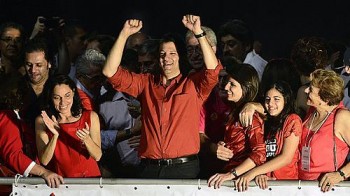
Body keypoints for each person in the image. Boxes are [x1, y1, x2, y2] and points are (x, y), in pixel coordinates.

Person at [102, 15, 222, 179]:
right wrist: (124, 35)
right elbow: (109, 71)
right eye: (162, 53)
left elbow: (213, 70)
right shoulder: (145, 83)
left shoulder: (193, 84)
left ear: (180, 56)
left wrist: (198, 32)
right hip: (149, 169)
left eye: (172, 53)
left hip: (184, 169)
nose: (167, 58)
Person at [234, 81, 302, 191]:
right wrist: (261, 173)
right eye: (267, 99)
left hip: (286, 185)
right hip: (265, 184)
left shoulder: (293, 120)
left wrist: (253, 173)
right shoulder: (268, 121)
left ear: (286, 100)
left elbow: (286, 158)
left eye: (276, 99)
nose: (270, 103)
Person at [208, 63, 265, 189]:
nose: (226, 87)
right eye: (227, 82)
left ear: (246, 88)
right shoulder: (235, 111)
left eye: (232, 84)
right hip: (234, 179)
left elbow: (259, 154)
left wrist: (231, 174)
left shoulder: (251, 115)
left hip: (243, 183)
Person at [35, 74, 102, 177]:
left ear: (73, 93)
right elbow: (44, 160)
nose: (63, 103)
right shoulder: (43, 121)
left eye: (67, 96)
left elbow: (97, 156)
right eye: (57, 98)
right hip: (63, 183)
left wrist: (87, 139)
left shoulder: (91, 116)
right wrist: (55, 136)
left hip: (90, 180)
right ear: (50, 97)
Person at [298, 69, 350, 192]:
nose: (305, 91)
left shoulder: (342, 116)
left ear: (325, 98)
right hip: (301, 187)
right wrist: (253, 106)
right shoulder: (312, 111)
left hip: (326, 189)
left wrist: (340, 175)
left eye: (310, 89)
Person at [0, 110, 63, 193]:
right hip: (13, 187)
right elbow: (13, 155)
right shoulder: (6, 115)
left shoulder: (21, 116)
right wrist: (43, 172)